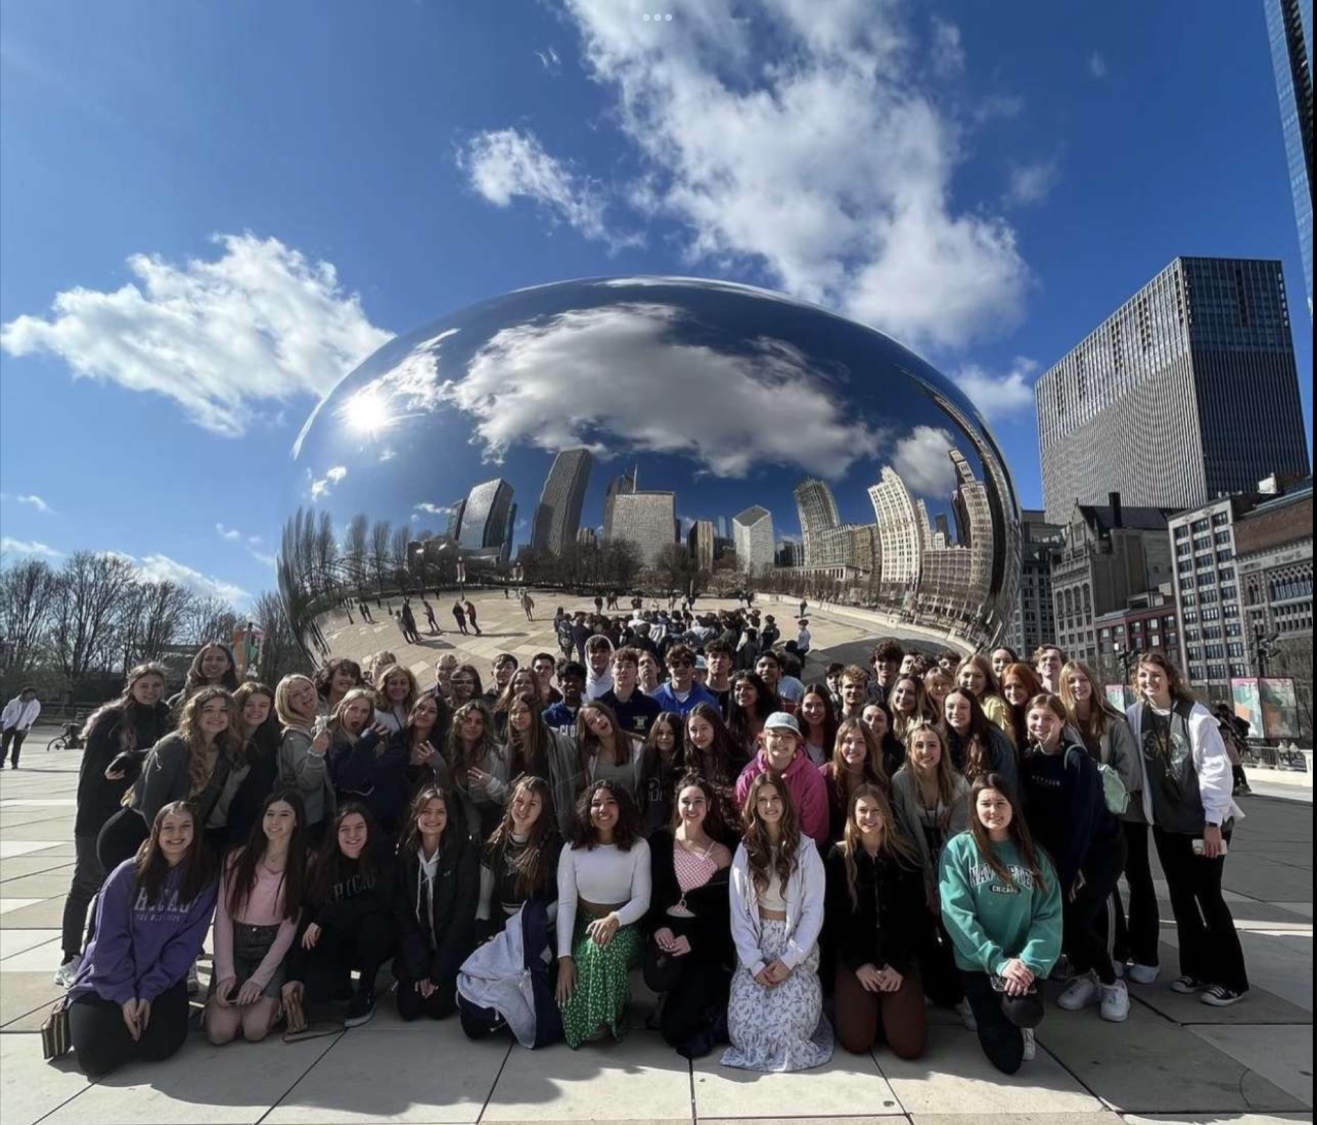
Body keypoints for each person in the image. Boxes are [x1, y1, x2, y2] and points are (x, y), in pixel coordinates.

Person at [1126, 654, 1248, 1005]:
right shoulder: (1136, 716)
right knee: (1180, 898)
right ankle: (1196, 970)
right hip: (1168, 826)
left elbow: (1216, 770)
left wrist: (1213, 822)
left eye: (1156, 675)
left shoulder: (1195, 716)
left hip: (1205, 826)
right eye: (1143, 676)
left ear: (1170, 678)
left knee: (1209, 897)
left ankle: (1232, 980)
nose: (1150, 681)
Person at [66, 802, 218, 1078]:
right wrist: (126, 996)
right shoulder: (127, 874)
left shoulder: (203, 879)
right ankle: (87, 1017)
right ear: (156, 833)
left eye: (185, 827)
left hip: (159, 980)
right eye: (169, 827)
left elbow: (185, 945)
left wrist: (148, 991)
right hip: (108, 978)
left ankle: (124, 1030)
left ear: (196, 832)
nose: (176, 835)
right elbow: (108, 941)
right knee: (96, 1061)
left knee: (160, 1047)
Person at [58, 663, 172, 988]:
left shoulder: (166, 720)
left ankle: (100, 949)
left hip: (137, 817)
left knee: (120, 888)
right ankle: (70, 955)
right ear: (132, 687)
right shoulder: (111, 720)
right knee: (87, 882)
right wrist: (90, 816)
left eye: (156, 685)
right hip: (100, 814)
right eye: (144, 685)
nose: (150, 691)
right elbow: (92, 773)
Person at [939, 775, 1061, 1075]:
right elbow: (956, 912)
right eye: (986, 804)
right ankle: (985, 1005)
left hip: (1021, 964)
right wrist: (996, 961)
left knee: (1024, 1011)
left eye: (1000, 803)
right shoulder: (959, 850)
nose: (993, 810)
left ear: (1013, 807)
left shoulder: (1033, 853)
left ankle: (1020, 1018)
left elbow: (1049, 916)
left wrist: (1028, 962)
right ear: (975, 808)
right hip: (981, 964)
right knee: (1008, 1060)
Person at [1021, 694, 1129, 1021]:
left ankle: (1111, 983)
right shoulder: (1029, 758)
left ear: (1062, 722)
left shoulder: (1076, 760)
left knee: (1077, 918)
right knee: (1064, 919)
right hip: (1059, 857)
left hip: (1098, 852)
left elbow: (1083, 821)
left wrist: (1069, 874)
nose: (1041, 725)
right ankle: (1085, 976)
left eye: (1048, 719)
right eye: (1035, 718)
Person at [723, 774, 832, 1072]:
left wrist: (788, 960)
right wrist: (755, 965)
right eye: (762, 800)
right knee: (746, 1031)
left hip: (794, 949)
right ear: (754, 806)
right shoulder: (745, 850)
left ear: (785, 802)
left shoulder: (806, 849)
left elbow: (812, 912)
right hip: (756, 949)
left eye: (775, 798)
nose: (769, 805)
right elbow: (739, 914)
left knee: (786, 1033)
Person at [1060, 660, 1153, 982]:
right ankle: (1090, 956)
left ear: (1093, 683)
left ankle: (1117, 955)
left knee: (1112, 888)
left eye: (1083, 680)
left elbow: (1131, 774)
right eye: (1071, 681)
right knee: (1089, 891)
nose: (1077, 687)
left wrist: (1099, 800)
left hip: (1116, 817)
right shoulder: (1063, 723)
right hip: (1081, 821)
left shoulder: (1114, 722)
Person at [458, 777, 565, 1046]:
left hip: (538, 934)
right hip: (503, 934)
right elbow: (483, 903)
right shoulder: (495, 845)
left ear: (544, 809)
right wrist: (484, 941)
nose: (524, 808)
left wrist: (531, 926)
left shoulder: (554, 847)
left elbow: (563, 900)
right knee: (472, 1025)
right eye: (519, 800)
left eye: (533, 803)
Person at [97, 687, 250, 874]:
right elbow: (151, 803)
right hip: (134, 835)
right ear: (195, 713)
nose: (217, 715)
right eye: (208, 709)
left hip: (174, 838)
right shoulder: (173, 746)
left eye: (224, 710)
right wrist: (165, 845)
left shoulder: (223, 752)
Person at [826, 784, 927, 1059]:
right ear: (852, 815)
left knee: (909, 1047)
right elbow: (834, 920)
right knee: (857, 1041)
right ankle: (871, 1011)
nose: (869, 817)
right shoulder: (838, 857)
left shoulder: (905, 856)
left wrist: (899, 965)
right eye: (862, 811)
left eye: (875, 810)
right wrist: (858, 964)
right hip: (858, 960)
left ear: (885, 815)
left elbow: (918, 918)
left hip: (897, 959)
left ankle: (889, 1012)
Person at [204, 792, 308, 1045]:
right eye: (270, 814)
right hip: (236, 943)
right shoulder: (237, 858)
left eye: (285, 815)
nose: (275, 821)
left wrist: (259, 980)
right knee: (220, 1033)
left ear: (296, 822)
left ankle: (278, 1005)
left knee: (254, 1030)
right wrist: (226, 972)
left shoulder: (305, 863)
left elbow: (289, 928)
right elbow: (224, 917)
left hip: (271, 945)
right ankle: (228, 1001)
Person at [644, 774, 734, 1057]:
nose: (691, 808)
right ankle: (669, 994)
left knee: (674, 1032)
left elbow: (722, 915)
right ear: (677, 804)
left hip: (700, 942)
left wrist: (692, 941)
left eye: (698, 802)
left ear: (708, 806)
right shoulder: (659, 841)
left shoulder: (721, 853)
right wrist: (657, 927)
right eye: (686, 801)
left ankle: (713, 999)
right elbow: (649, 895)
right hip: (666, 932)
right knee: (657, 977)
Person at [556, 782, 652, 1047]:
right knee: (588, 952)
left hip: (624, 926)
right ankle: (588, 1020)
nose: (603, 809)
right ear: (587, 810)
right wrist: (564, 958)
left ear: (621, 808)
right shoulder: (572, 849)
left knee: (602, 949)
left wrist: (615, 919)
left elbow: (642, 900)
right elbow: (566, 905)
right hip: (583, 925)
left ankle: (610, 1017)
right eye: (596, 803)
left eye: (610, 802)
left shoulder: (639, 847)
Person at [284, 804, 396, 1028]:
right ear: (335, 834)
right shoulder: (324, 866)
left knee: (374, 923)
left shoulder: (382, 856)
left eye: (359, 827)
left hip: (377, 941)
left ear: (369, 830)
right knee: (319, 991)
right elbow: (308, 917)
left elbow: (383, 901)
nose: (352, 835)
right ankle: (342, 983)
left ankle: (366, 990)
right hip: (341, 941)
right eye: (345, 829)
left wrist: (328, 915)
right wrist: (293, 976)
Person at [889, 721, 970, 1010]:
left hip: (953, 867)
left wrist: (940, 884)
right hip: (914, 863)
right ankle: (934, 988)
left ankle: (963, 995)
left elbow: (958, 840)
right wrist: (926, 880)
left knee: (953, 930)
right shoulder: (900, 783)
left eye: (932, 744)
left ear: (942, 749)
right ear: (909, 750)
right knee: (921, 928)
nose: (926, 751)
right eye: (919, 745)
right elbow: (904, 833)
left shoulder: (959, 785)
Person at [392, 786, 479, 1020]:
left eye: (440, 812)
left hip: (450, 952)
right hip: (418, 950)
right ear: (416, 815)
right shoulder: (406, 854)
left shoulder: (462, 852)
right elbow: (403, 915)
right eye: (426, 811)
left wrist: (438, 972)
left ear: (448, 816)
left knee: (437, 1007)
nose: (433, 818)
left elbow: (463, 915)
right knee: (408, 1009)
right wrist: (421, 969)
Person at [734, 712, 829, 846]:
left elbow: (811, 829)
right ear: (763, 740)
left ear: (797, 742)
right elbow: (743, 819)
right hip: (759, 846)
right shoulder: (749, 775)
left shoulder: (811, 777)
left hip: (802, 849)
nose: (781, 741)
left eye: (788, 737)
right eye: (774, 735)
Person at [327, 688, 410, 836]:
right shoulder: (333, 737)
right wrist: (365, 744)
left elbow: (399, 756)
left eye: (364, 711)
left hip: (385, 812)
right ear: (343, 708)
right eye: (353, 709)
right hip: (355, 815)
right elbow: (348, 778)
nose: (358, 715)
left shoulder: (373, 732)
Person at [274, 675, 335, 845]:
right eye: (295, 695)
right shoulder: (293, 737)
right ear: (287, 704)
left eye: (307, 689)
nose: (305, 696)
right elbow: (307, 781)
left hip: (323, 812)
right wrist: (316, 751)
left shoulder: (317, 724)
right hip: (308, 820)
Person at [225, 682, 284, 847]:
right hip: (211, 819)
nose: (256, 710)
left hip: (245, 825)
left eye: (263, 705)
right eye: (249, 704)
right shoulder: (223, 737)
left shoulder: (272, 743)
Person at [444, 701, 511, 841]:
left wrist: (490, 783)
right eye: (467, 720)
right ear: (458, 724)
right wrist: (474, 828)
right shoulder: (453, 753)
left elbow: (506, 796)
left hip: (497, 819)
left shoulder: (495, 753)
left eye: (478, 722)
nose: (472, 726)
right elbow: (465, 798)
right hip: (469, 821)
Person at [821, 718, 889, 842]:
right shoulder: (824, 776)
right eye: (848, 741)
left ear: (868, 746)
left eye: (860, 742)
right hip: (830, 847)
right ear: (839, 744)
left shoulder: (879, 781)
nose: (853, 747)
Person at [942, 688, 1019, 796]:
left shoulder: (994, 740)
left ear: (973, 710)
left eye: (963, 707)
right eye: (950, 707)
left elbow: (1007, 783)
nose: (955, 712)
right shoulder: (942, 737)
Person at [576, 701, 644, 800]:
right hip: (603, 812)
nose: (599, 720)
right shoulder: (589, 756)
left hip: (633, 812)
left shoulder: (638, 747)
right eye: (592, 722)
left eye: (599, 714)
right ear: (590, 731)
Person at [598, 647, 662, 744]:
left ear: (636, 672)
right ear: (611, 672)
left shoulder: (651, 706)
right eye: (619, 666)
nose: (623, 670)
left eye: (628, 666)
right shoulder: (601, 705)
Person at [955, 655, 1015, 745]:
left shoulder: (994, 705)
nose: (971, 680)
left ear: (987, 681)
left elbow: (1004, 742)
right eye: (966, 675)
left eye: (977, 676)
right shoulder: (953, 704)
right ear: (958, 678)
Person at [167, 642, 240, 714]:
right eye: (208, 659)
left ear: (228, 665)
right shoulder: (179, 701)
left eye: (220, 659)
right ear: (200, 664)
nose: (214, 663)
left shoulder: (239, 698)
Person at [652, 644, 720, 717]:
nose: (681, 668)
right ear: (669, 667)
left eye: (686, 663)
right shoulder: (655, 699)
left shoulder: (708, 701)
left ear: (693, 667)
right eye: (676, 664)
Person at [727, 671, 776, 759]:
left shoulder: (772, 722)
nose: (742, 692)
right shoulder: (732, 725)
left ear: (759, 693)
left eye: (748, 688)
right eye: (738, 689)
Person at [1000, 662, 1044, 752]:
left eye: (1019, 686)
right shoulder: (1004, 713)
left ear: (1029, 686)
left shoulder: (1043, 710)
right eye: (1008, 687)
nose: (1013, 692)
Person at [860, 700, 905, 777]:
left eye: (879, 719)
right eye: (868, 718)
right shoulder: (853, 750)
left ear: (888, 727)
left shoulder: (900, 754)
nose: (872, 724)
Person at [798, 684, 839, 768]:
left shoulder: (839, 733)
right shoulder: (795, 736)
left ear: (826, 706)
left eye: (819, 705)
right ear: (801, 707)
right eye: (808, 706)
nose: (814, 711)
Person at [888, 675, 938, 743]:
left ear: (919, 697)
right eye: (900, 691)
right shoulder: (887, 719)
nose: (903, 696)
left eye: (910, 693)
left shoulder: (929, 724)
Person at [373, 663, 421, 734]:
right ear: (385, 686)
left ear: (410, 686)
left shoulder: (418, 708)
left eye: (403, 683)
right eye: (393, 683)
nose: (398, 687)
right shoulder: (377, 714)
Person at [2, 685, 41, 768]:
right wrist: (2, 722)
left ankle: (14, 763)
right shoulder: (14, 702)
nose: (32, 696)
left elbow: (34, 716)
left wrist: (27, 727)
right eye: (30, 694)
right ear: (24, 694)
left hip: (23, 727)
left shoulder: (35, 704)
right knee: (5, 745)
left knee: (17, 746)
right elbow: (6, 711)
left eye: (33, 694)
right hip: (10, 726)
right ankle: (1, 761)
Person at [543, 662, 587, 734]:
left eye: (576, 680)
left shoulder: (590, 714)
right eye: (567, 680)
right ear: (560, 683)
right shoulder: (549, 716)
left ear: (584, 684)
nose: (571, 684)